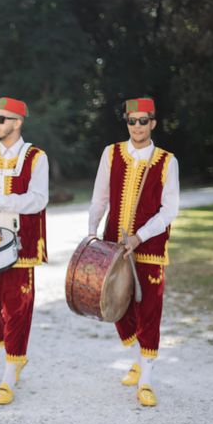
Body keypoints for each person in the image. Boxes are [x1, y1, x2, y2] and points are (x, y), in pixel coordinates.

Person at [88, 97, 179, 407]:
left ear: (153, 123)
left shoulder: (168, 161)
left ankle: (147, 379)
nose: (137, 126)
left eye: (143, 121)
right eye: (132, 121)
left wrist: (141, 237)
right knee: (114, 306)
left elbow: (169, 211)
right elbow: (99, 198)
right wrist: (91, 234)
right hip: (114, 248)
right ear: (126, 122)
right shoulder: (111, 154)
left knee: (149, 311)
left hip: (150, 249)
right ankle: (137, 358)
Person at [0, 96, 49, 406]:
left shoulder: (36, 157)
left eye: (2, 119)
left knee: (17, 308)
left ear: (17, 122)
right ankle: (13, 356)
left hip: (21, 245)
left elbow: (38, 199)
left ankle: (8, 374)